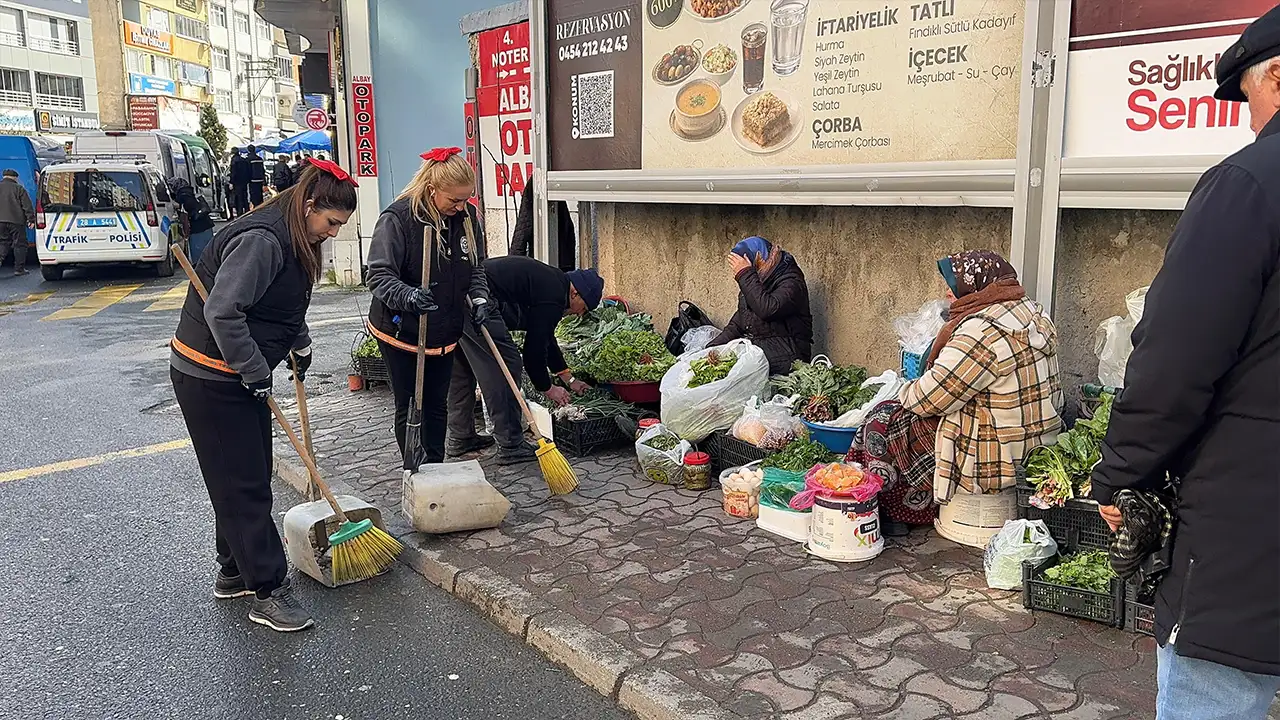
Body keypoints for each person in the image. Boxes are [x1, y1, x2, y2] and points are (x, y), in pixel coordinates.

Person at [1089, 10, 1280, 717]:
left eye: (1250, 97)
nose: (1249, 121)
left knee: (1214, 698)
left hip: (1248, 533)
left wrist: (1120, 473)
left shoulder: (1250, 184)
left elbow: (1175, 359)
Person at [169, 159, 358, 633]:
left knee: (242, 475)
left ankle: (234, 570)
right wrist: (255, 370)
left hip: (234, 371)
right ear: (310, 204)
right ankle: (268, 590)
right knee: (245, 484)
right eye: (332, 223)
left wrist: (298, 339)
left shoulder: (295, 231)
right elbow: (224, 310)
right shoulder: (263, 239)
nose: (334, 234)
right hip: (211, 374)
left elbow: (277, 300)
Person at [897, 250, 1063, 505]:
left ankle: (906, 511)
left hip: (996, 461)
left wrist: (903, 390)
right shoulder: (1032, 312)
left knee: (887, 420)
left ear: (977, 285)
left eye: (954, 285)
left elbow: (926, 399)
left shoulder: (981, 331)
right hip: (1040, 446)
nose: (948, 293)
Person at [365, 147, 491, 466]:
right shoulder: (398, 219)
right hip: (401, 329)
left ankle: (434, 466)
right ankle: (414, 468)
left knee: (437, 402)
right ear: (433, 189)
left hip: (443, 327)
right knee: (411, 403)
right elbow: (378, 274)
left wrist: (479, 298)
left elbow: (475, 267)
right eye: (454, 200)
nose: (461, 207)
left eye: (466, 199)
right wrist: (407, 295)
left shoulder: (466, 218)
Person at [447, 255, 603, 464]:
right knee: (506, 364)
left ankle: (461, 436)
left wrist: (568, 379)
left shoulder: (553, 283)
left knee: (463, 367)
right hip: (479, 300)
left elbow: (545, 337)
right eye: (583, 308)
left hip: (458, 293)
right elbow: (533, 352)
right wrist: (548, 388)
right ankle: (511, 443)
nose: (579, 315)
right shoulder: (554, 295)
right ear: (576, 293)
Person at [708, 236, 813, 375]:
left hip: (790, 358)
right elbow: (738, 324)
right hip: (765, 353)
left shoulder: (792, 282)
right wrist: (712, 349)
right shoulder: (756, 283)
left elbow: (768, 309)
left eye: (750, 265)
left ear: (760, 257)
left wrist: (745, 274)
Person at [510, 181, 577, 270]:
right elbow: (523, 228)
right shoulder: (539, 181)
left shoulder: (552, 180)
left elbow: (522, 229)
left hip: (554, 260)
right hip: (549, 260)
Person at [167, 177, 214, 263]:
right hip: (207, 225)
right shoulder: (191, 192)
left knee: (198, 258)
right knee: (209, 253)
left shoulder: (182, 197)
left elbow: (184, 216)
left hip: (197, 229)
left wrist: (185, 234)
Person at [0, 168, 34, 276]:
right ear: (15, 178)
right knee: (20, 244)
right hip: (16, 221)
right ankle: (19, 269)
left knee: (3, 242)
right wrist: (31, 219)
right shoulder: (19, 188)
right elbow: (27, 205)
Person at [229, 151, 250, 218]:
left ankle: (240, 213)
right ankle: (247, 211)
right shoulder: (244, 160)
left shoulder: (234, 160)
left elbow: (233, 172)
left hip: (237, 182)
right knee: (245, 197)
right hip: (244, 182)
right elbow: (248, 171)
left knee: (239, 198)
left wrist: (231, 182)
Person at [247, 145, 266, 210]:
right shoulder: (260, 159)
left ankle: (256, 207)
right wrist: (264, 182)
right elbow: (263, 171)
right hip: (260, 180)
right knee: (259, 195)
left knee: (253, 195)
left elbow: (248, 170)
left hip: (252, 180)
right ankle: (260, 207)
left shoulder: (248, 159)